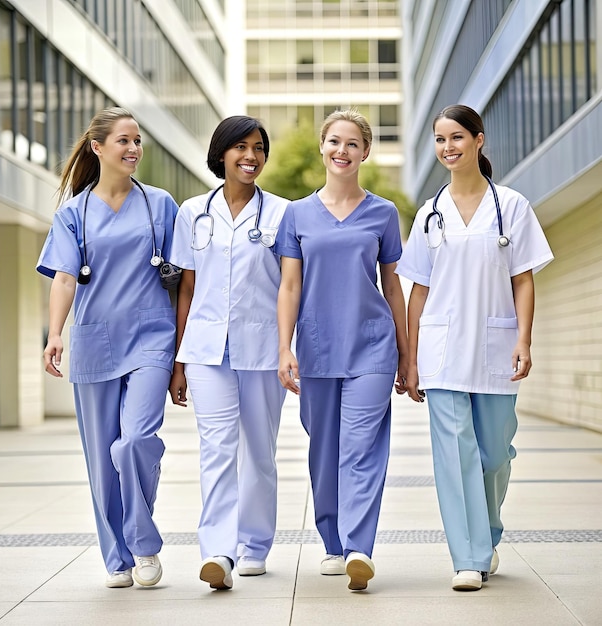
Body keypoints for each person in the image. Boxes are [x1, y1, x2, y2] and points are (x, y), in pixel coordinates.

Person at [396, 104, 554, 591]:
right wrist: (411, 358)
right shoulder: (430, 213)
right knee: (453, 455)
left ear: (479, 140)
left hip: (495, 345)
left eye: (457, 137)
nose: (448, 147)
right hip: (441, 350)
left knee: (494, 455)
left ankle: (486, 534)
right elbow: (418, 289)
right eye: (441, 139)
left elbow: (523, 279)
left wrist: (524, 339)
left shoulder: (512, 205)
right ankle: (467, 557)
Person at [37, 107, 179, 589]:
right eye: (124, 140)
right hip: (95, 338)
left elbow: (184, 278)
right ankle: (117, 558)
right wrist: (56, 333)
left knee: (135, 440)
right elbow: (62, 278)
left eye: (138, 140)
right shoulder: (73, 213)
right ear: (98, 148)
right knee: (102, 456)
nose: (134, 148)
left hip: (152, 337)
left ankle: (142, 543)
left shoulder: (160, 204)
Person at [275, 109, 408, 591]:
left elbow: (393, 288)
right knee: (324, 448)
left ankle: (359, 547)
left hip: (372, 346)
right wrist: (283, 349)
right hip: (315, 348)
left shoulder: (384, 213)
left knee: (361, 447)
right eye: (334, 142)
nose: (342, 151)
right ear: (322, 148)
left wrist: (406, 354)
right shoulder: (297, 214)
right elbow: (289, 287)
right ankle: (333, 543)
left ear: (365, 153)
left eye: (352, 144)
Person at [168, 115, 288, 591]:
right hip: (204, 350)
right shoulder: (192, 212)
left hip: (261, 349)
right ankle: (218, 550)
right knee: (216, 450)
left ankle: (254, 545)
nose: (250, 157)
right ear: (222, 153)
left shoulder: (282, 213)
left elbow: (290, 288)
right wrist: (179, 361)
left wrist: (286, 349)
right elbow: (187, 288)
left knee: (258, 452)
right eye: (241, 147)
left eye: (258, 148)